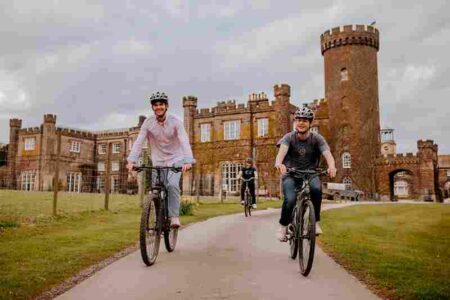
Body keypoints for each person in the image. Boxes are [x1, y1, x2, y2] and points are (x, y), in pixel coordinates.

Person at [126, 92, 194, 228]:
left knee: (172, 185)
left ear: (166, 106)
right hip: (158, 160)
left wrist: (188, 160)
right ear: (153, 108)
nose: (158, 107)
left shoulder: (175, 122)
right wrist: (131, 160)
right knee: (155, 190)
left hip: (176, 158)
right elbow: (139, 142)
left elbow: (184, 141)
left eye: (161, 104)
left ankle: (174, 217)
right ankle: (157, 220)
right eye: (155, 105)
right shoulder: (148, 123)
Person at [274, 105, 336, 241]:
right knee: (290, 199)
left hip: (311, 173)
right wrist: (279, 163)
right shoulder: (289, 137)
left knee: (316, 190)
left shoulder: (317, 139)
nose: (301, 123)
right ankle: (283, 226)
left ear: (310, 123)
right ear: (295, 122)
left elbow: (328, 154)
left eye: (305, 120)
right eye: (298, 120)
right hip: (291, 174)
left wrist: (332, 166)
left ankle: (315, 223)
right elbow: (281, 152)